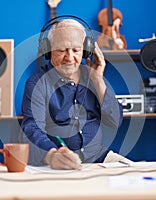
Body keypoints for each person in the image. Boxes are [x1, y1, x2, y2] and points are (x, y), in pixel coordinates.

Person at [21, 17, 123, 170]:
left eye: (76, 50)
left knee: (139, 183)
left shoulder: (93, 76)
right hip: (58, 162)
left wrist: (98, 80)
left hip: (99, 158)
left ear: (86, 50)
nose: (69, 58)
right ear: (47, 50)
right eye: (62, 50)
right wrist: (52, 155)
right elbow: (31, 129)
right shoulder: (37, 83)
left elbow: (115, 121)